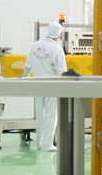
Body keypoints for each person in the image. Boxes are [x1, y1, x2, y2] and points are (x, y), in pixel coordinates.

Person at [26, 17, 69, 151]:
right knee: (51, 115)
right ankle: (47, 144)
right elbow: (62, 71)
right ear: (58, 35)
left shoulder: (35, 45)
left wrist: (25, 77)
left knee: (40, 114)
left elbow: (27, 65)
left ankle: (40, 142)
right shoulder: (56, 49)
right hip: (52, 85)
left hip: (37, 84)